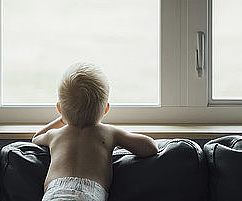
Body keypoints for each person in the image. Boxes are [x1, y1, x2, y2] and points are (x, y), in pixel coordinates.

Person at [32, 62, 158, 201]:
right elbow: (151, 148)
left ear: (59, 109)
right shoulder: (109, 133)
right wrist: (124, 142)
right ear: (106, 109)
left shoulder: (54, 135)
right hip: (89, 194)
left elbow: (36, 138)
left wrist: (63, 118)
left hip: (54, 194)